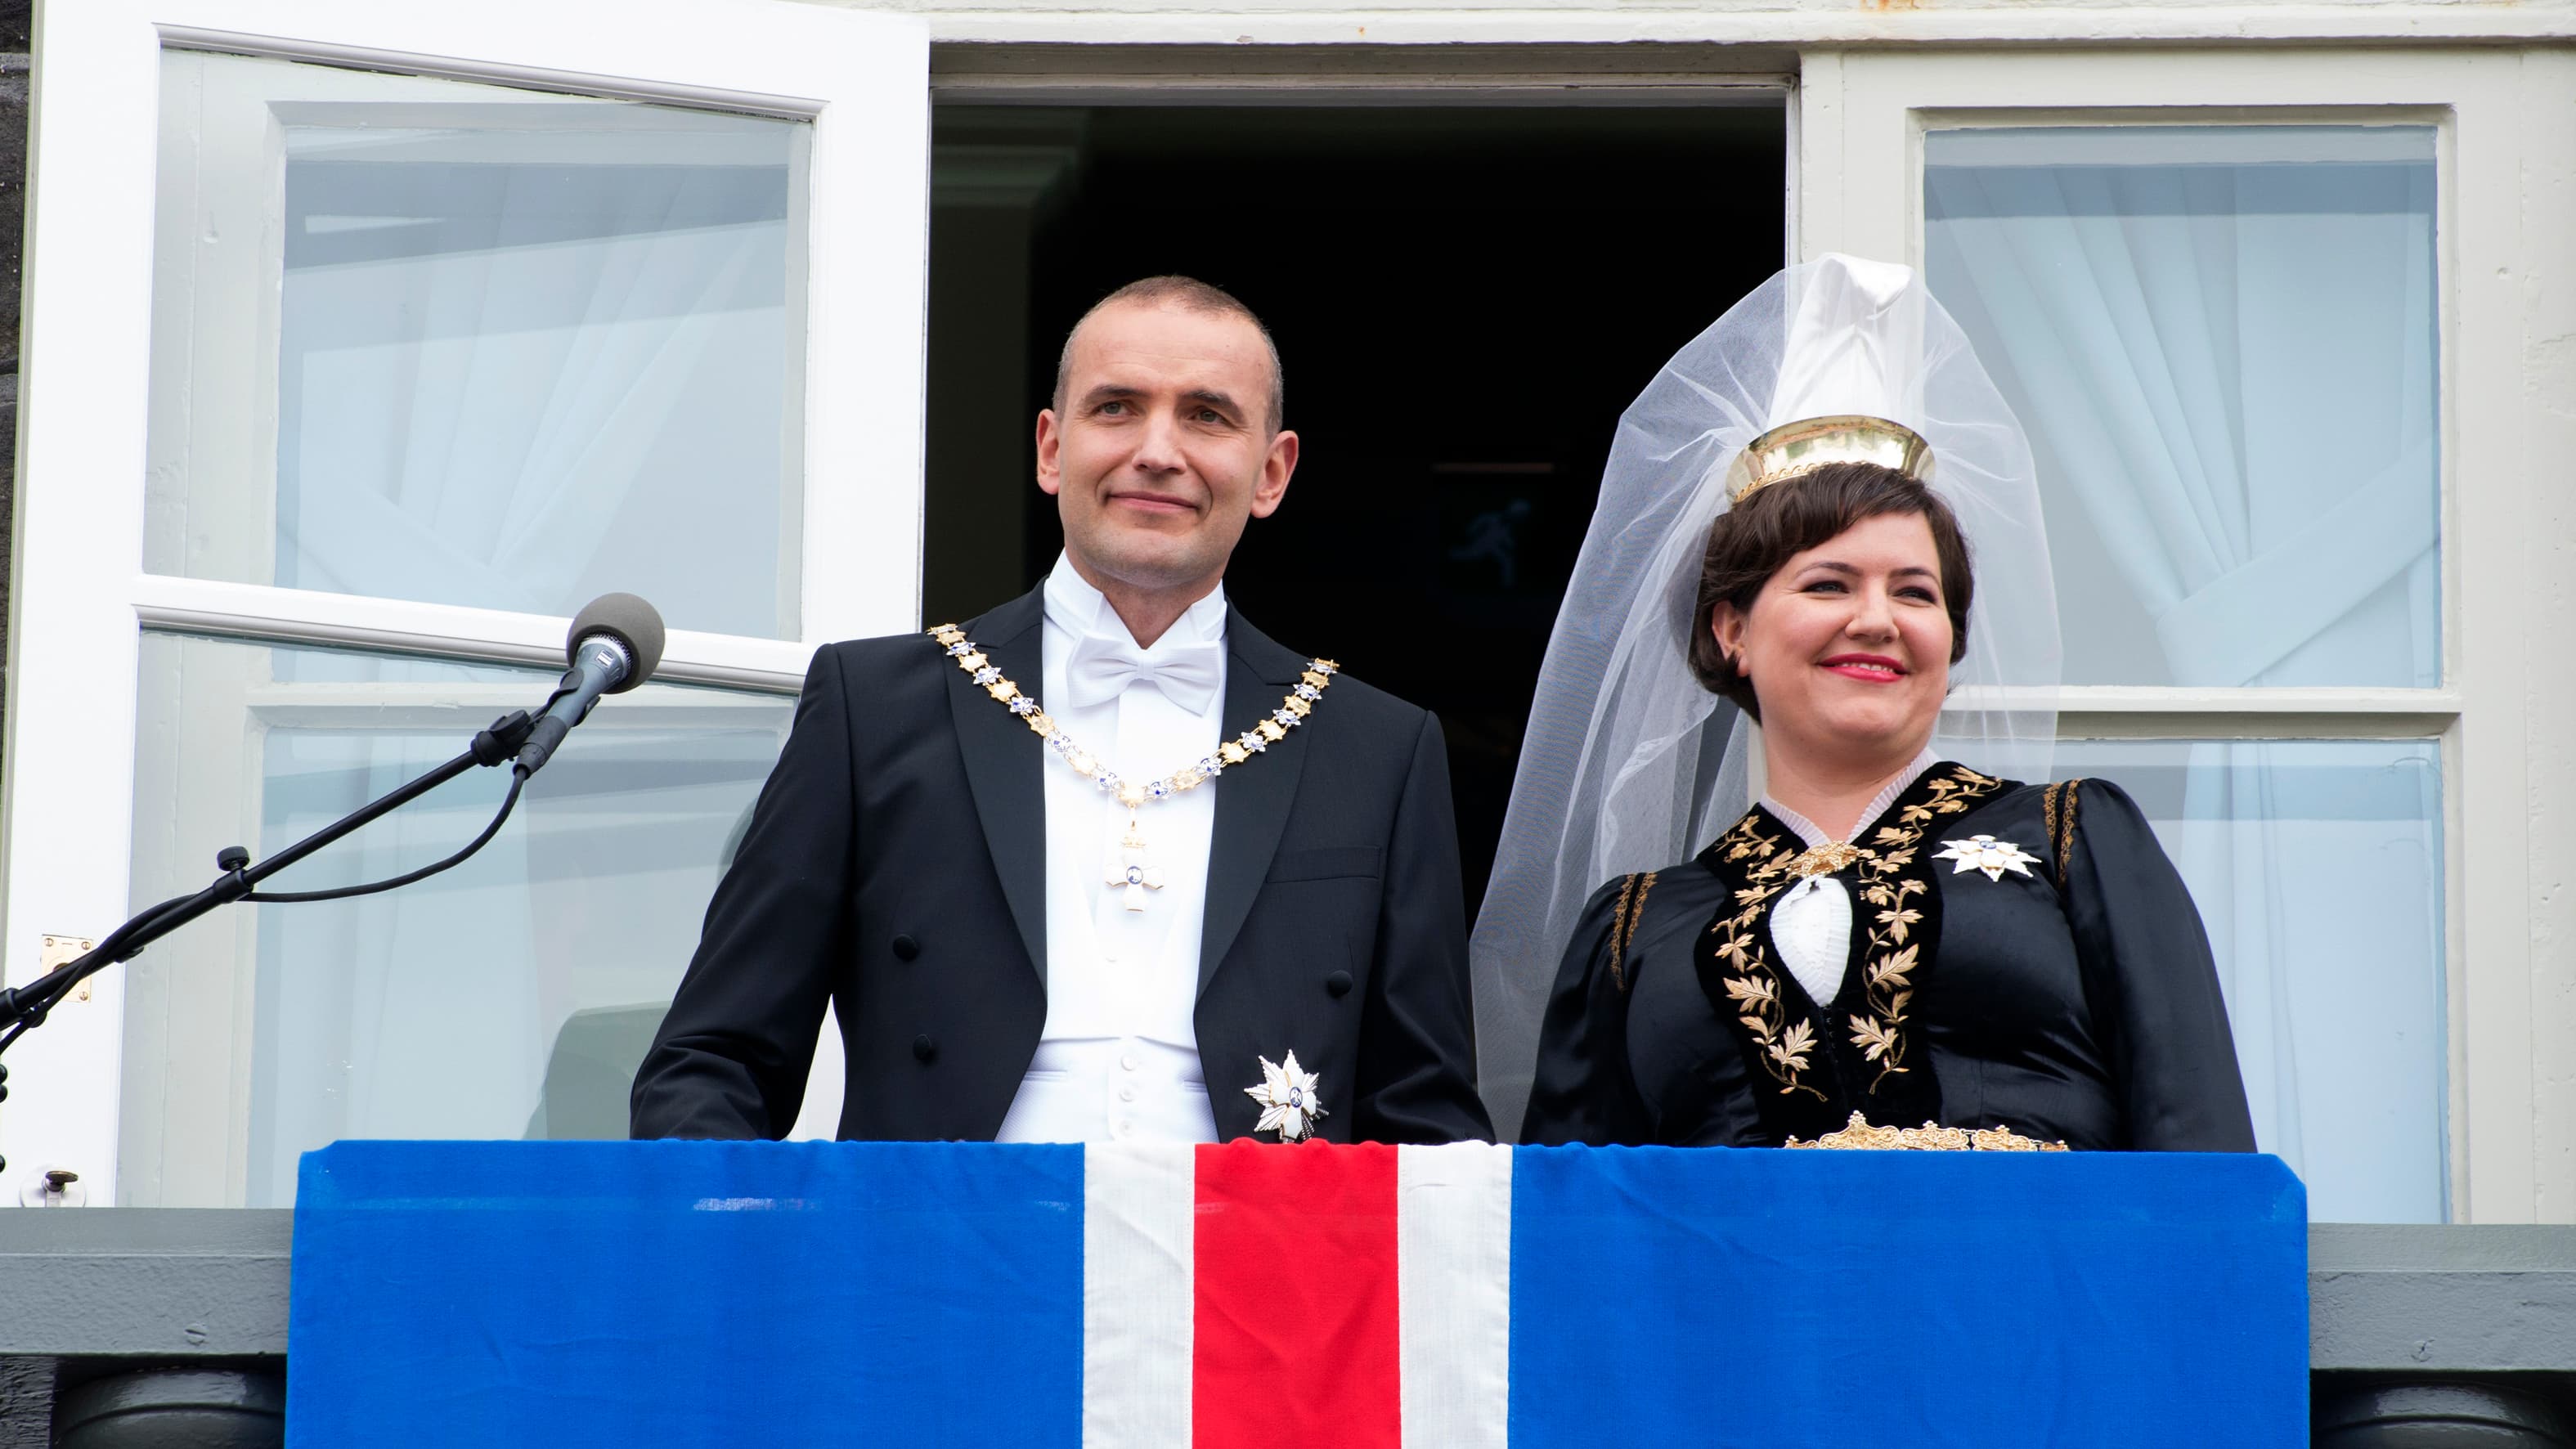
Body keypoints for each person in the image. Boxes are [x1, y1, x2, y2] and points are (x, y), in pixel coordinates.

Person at [632, 276, 1492, 1146]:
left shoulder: (1380, 748)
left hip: (1253, 1273)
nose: (1157, 450)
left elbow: (1425, 1122)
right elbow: (713, 1063)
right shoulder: (872, 709)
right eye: (1116, 407)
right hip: (939, 1263)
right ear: (1051, 448)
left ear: (1272, 471)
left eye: (1206, 415)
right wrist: (751, 1256)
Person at [1486, 255, 2253, 1151]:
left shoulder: (2072, 839)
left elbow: (2200, 1150)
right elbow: (1577, 1223)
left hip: (2034, 1292)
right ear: (1731, 626)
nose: (1878, 620)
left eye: (1918, 593)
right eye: (1828, 582)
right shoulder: (1637, 924)